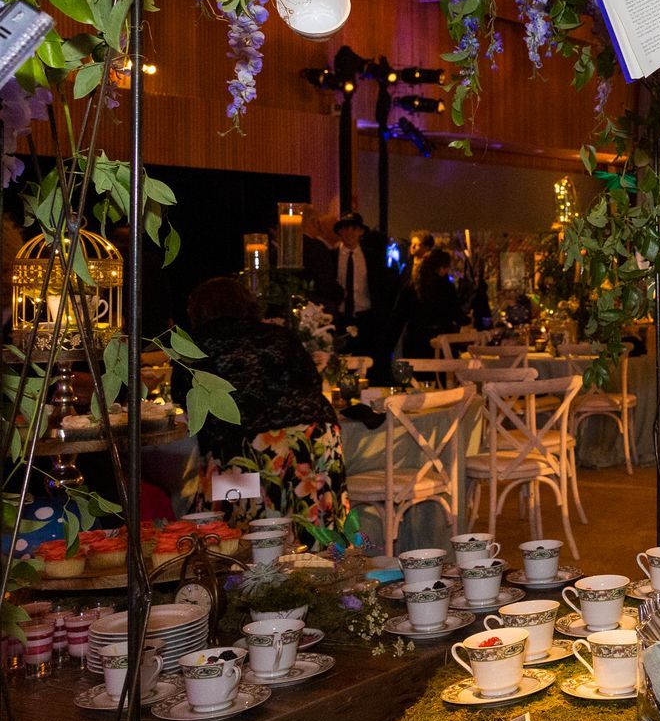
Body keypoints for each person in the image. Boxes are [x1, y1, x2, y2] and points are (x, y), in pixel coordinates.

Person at [172, 276, 344, 527]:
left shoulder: (193, 347)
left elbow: (186, 401)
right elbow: (312, 382)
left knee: (239, 533)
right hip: (315, 438)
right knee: (315, 530)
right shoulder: (280, 335)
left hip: (243, 449)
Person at [333, 212, 397, 380]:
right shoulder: (331, 256)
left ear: (361, 232)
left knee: (368, 365)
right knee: (342, 365)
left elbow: (381, 288)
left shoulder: (372, 256)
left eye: (354, 229)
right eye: (345, 228)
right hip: (340, 319)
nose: (350, 233)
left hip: (366, 319)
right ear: (340, 232)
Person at [395, 247, 465, 359]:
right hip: (442, 340)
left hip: (416, 340)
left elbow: (399, 316)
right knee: (443, 374)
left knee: (418, 374)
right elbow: (456, 313)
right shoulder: (446, 288)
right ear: (441, 268)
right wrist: (467, 319)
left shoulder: (412, 287)